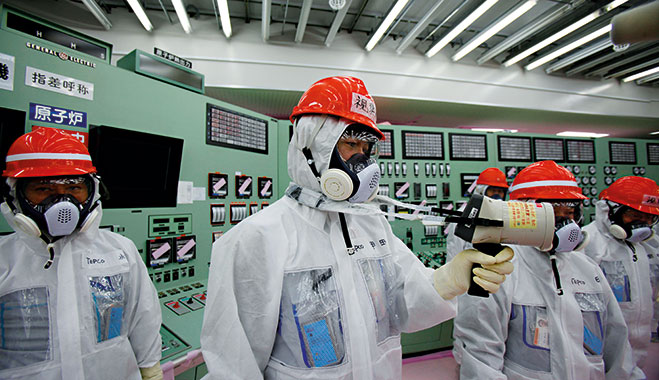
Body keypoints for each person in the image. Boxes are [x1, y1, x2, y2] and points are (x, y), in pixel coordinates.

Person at [200, 76, 514, 380]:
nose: (362, 162)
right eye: (351, 144)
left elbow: (403, 305)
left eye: (366, 150)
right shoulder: (255, 239)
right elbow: (235, 365)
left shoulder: (372, 223)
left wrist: (447, 280)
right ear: (312, 147)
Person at [0, 127, 163, 380]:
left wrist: (151, 371)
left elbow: (144, 319)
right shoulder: (4, 260)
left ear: (92, 192)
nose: (62, 202)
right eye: (43, 189)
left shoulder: (120, 250)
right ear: (16, 195)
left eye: (75, 188)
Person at [453, 160, 636, 379]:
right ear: (523, 212)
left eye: (570, 213)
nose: (565, 224)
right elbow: (481, 358)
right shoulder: (497, 269)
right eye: (554, 214)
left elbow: (617, 345)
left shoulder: (588, 269)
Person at [582, 176, 659, 379]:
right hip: (600, 342)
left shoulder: (647, 248)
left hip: (640, 343)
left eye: (649, 219)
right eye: (634, 216)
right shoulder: (589, 242)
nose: (642, 225)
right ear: (612, 211)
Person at [446, 167, 509, 262]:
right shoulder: (462, 216)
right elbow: (453, 255)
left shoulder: (505, 217)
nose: (497, 195)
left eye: (500, 191)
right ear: (481, 191)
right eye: (492, 190)